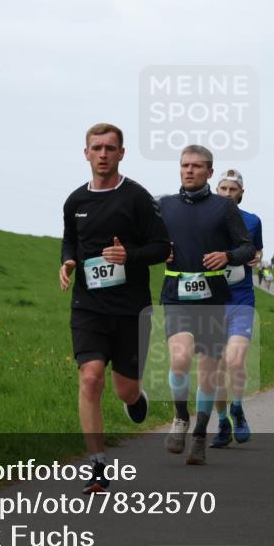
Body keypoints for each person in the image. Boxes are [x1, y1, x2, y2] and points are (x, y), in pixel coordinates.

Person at [60, 123, 171, 493]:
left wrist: (130, 256)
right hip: (88, 306)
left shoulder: (138, 198)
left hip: (131, 309)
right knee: (90, 377)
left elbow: (161, 247)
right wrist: (68, 262)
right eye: (97, 147)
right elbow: (70, 243)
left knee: (124, 389)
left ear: (122, 153)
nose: (103, 154)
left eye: (110, 148)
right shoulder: (75, 202)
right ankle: (97, 465)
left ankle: (136, 399)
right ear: (86, 153)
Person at [159, 146, 254, 466]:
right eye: (185, 165)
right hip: (176, 294)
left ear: (210, 173)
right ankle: (180, 417)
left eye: (197, 166)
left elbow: (246, 248)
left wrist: (227, 256)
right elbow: (149, 242)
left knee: (210, 374)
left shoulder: (224, 208)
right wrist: (161, 250)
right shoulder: (165, 205)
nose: (189, 171)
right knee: (180, 358)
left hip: (213, 298)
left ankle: (200, 433)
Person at [210, 170, 262, 448]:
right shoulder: (205, 221)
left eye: (233, 189)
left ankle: (237, 409)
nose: (228, 194)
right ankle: (221, 422)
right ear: (216, 190)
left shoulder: (253, 221)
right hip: (212, 302)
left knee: (235, 360)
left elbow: (258, 250)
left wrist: (257, 257)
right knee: (216, 368)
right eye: (224, 189)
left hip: (241, 299)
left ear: (241, 193)